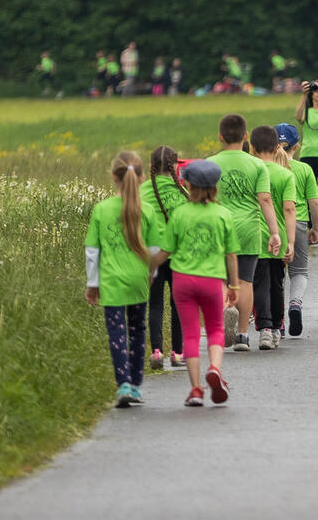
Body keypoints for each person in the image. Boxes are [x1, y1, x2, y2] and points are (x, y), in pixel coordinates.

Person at [150, 160, 240, 407]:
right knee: (215, 328)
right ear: (214, 186)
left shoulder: (180, 213)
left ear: (188, 184)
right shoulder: (222, 214)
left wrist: (148, 267)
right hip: (212, 280)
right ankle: (214, 368)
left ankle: (196, 389)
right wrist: (234, 286)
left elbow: (165, 250)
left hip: (183, 281)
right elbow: (231, 255)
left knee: (190, 333)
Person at [84, 151, 159, 407]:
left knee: (117, 332)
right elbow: (154, 251)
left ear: (113, 177)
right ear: (141, 178)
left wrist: (92, 284)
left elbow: (92, 253)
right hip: (138, 279)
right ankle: (137, 385)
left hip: (111, 280)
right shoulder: (147, 210)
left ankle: (123, 383)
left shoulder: (101, 210)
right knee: (138, 331)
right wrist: (151, 274)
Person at [207, 114, 281, 351]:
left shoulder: (210, 164)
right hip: (249, 228)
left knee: (221, 279)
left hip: (219, 227)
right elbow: (265, 199)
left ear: (220, 137)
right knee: (245, 281)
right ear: (246, 136)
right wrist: (274, 232)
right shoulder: (257, 165)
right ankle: (242, 334)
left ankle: (222, 318)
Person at [141, 146, 188, 369]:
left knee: (156, 303)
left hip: (152, 255)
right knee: (178, 304)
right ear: (176, 166)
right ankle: (178, 353)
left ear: (150, 167)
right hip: (178, 255)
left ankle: (156, 352)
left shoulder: (142, 191)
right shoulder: (182, 192)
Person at [250, 126, 297, 350]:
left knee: (259, 283)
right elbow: (289, 209)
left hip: (255, 236)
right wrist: (290, 241)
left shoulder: (252, 171)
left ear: (252, 148)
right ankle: (278, 327)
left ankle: (265, 328)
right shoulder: (286, 175)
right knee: (277, 283)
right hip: (277, 236)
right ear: (278, 147)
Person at [276, 123, 318, 337]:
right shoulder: (305, 169)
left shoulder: (268, 169)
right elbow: (314, 202)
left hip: (274, 224)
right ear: (297, 145)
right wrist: (316, 227)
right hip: (300, 223)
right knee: (299, 271)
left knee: (276, 274)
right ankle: (295, 304)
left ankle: (278, 320)